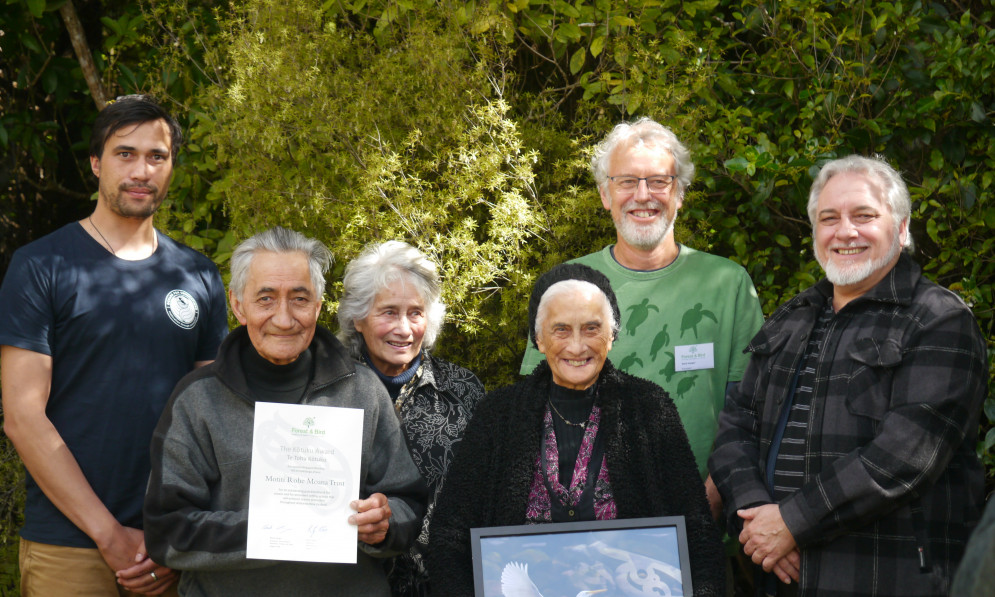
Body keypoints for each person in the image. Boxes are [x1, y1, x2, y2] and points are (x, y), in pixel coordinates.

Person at [708, 155, 988, 597]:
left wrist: (791, 523)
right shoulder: (790, 319)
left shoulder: (939, 320)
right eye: (829, 218)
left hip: (886, 580)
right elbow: (735, 427)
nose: (845, 231)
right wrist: (756, 513)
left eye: (864, 216)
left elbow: (904, 458)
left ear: (901, 228)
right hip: (778, 577)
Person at [0, 95, 228, 596]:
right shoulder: (43, 266)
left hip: (171, 541)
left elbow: (216, 416)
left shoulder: (198, 275)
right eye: (125, 154)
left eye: (157, 156)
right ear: (96, 163)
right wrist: (108, 534)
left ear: (171, 168)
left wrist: (181, 535)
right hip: (70, 543)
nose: (141, 170)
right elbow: (22, 416)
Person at [143, 227, 427, 597]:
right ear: (238, 305)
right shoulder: (198, 399)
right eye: (265, 299)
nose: (283, 318)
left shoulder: (362, 390)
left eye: (299, 299)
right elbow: (166, 533)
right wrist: (275, 531)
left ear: (319, 306)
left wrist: (384, 524)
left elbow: (408, 502)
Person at [429, 263, 725, 597]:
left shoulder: (649, 407)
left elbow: (698, 530)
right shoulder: (498, 415)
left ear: (611, 336)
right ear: (539, 339)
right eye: (561, 330)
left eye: (591, 328)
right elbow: (449, 533)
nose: (576, 346)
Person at [520, 117, 764, 492]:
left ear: (679, 193)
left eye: (659, 181)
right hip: (591, 518)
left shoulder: (728, 284)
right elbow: (533, 410)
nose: (643, 194)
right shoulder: (567, 285)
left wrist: (714, 497)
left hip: (706, 512)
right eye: (627, 181)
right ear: (605, 195)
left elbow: (750, 412)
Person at [337, 240, 485, 596]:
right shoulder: (326, 391)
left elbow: (485, 496)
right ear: (358, 317)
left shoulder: (463, 390)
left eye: (415, 313)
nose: (404, 329)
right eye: (388, 312)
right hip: (351, 584)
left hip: (443, 585)